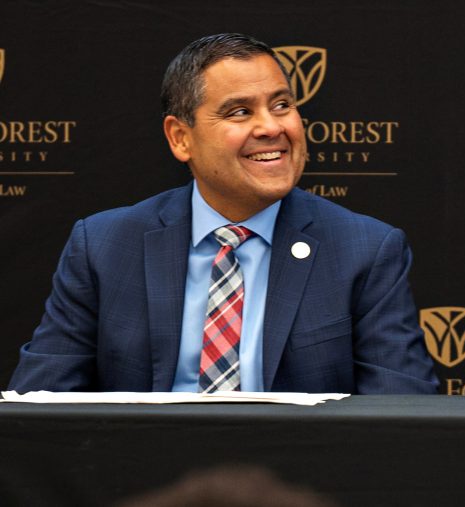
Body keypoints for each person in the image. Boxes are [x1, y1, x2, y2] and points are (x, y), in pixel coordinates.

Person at [10, 33, 438, 394]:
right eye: (239, 112)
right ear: (181, 138)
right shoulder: (103, 246)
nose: (272, 127)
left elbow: (402, 414)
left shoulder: (366, 249)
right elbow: (41, 408)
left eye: (282, 104)